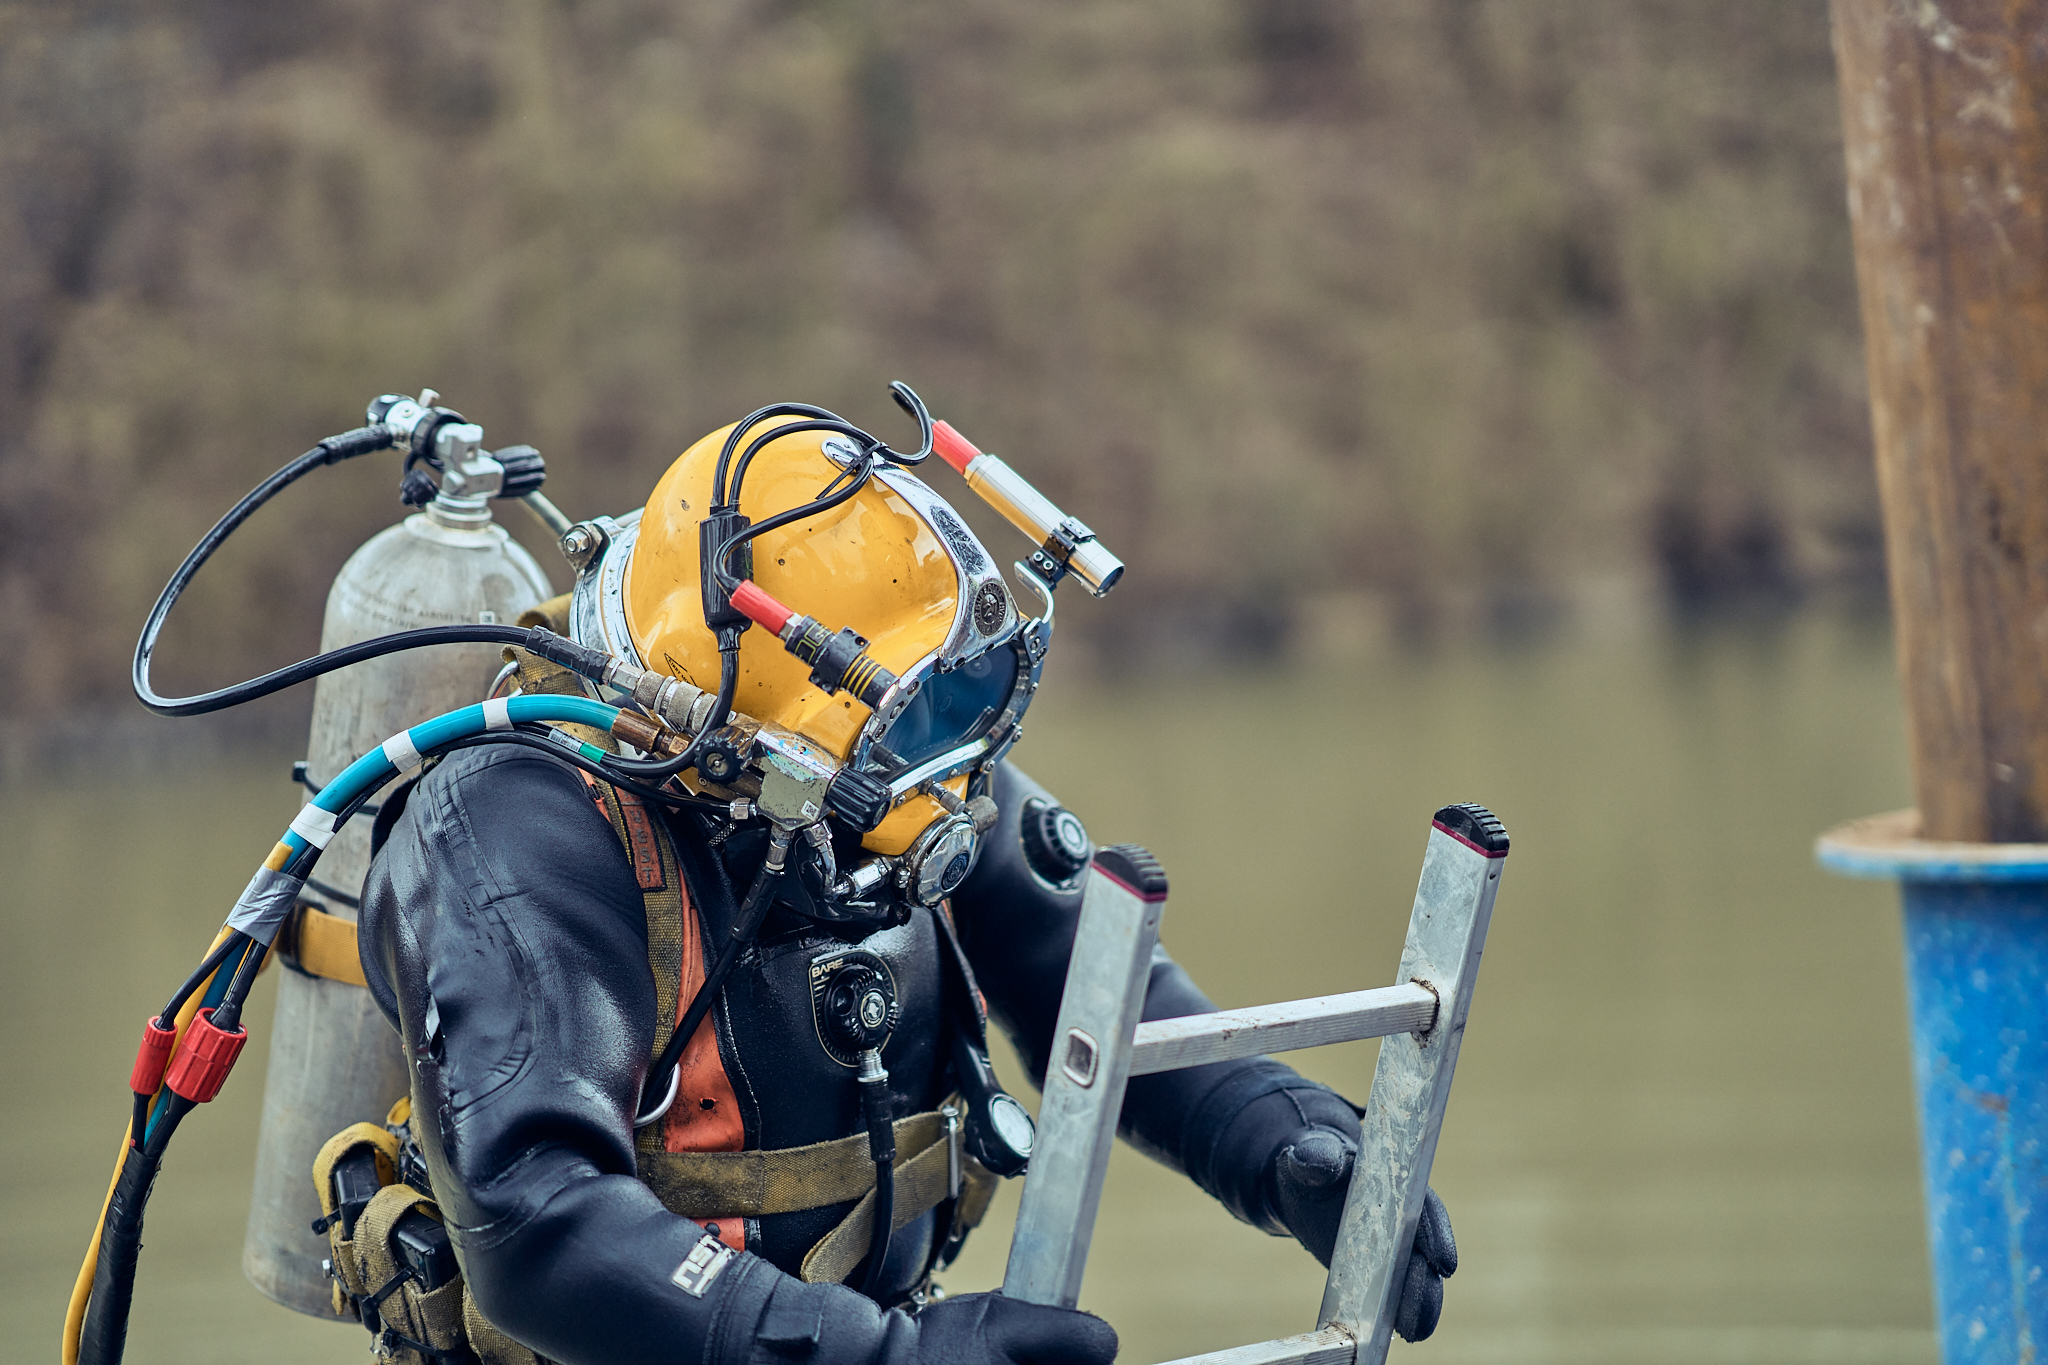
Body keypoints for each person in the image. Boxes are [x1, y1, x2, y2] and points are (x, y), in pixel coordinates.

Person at [354, 406, 1458, 1364]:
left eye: (955, 708)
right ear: (756, 731)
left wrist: (1271, 1135)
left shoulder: (898, 771)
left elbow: (1090, 986)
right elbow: (533, 1222)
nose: (944, 779)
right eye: (902, 727)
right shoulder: (516, 833)